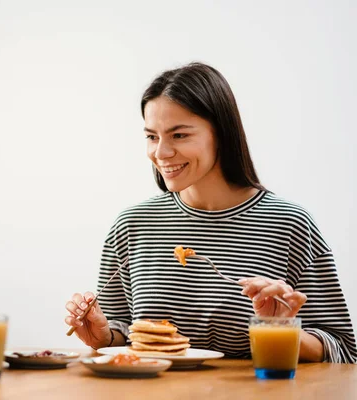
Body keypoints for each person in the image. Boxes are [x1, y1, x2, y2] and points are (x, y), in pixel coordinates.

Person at [65, 62, 357, 363]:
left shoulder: (289, 224)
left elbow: (343, 351)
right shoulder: (132, 225)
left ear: (221, 134)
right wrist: (103, 337)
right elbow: (120, 335)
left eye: (179, 135)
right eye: (152, 136)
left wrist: (280, 329)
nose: (161, 153)